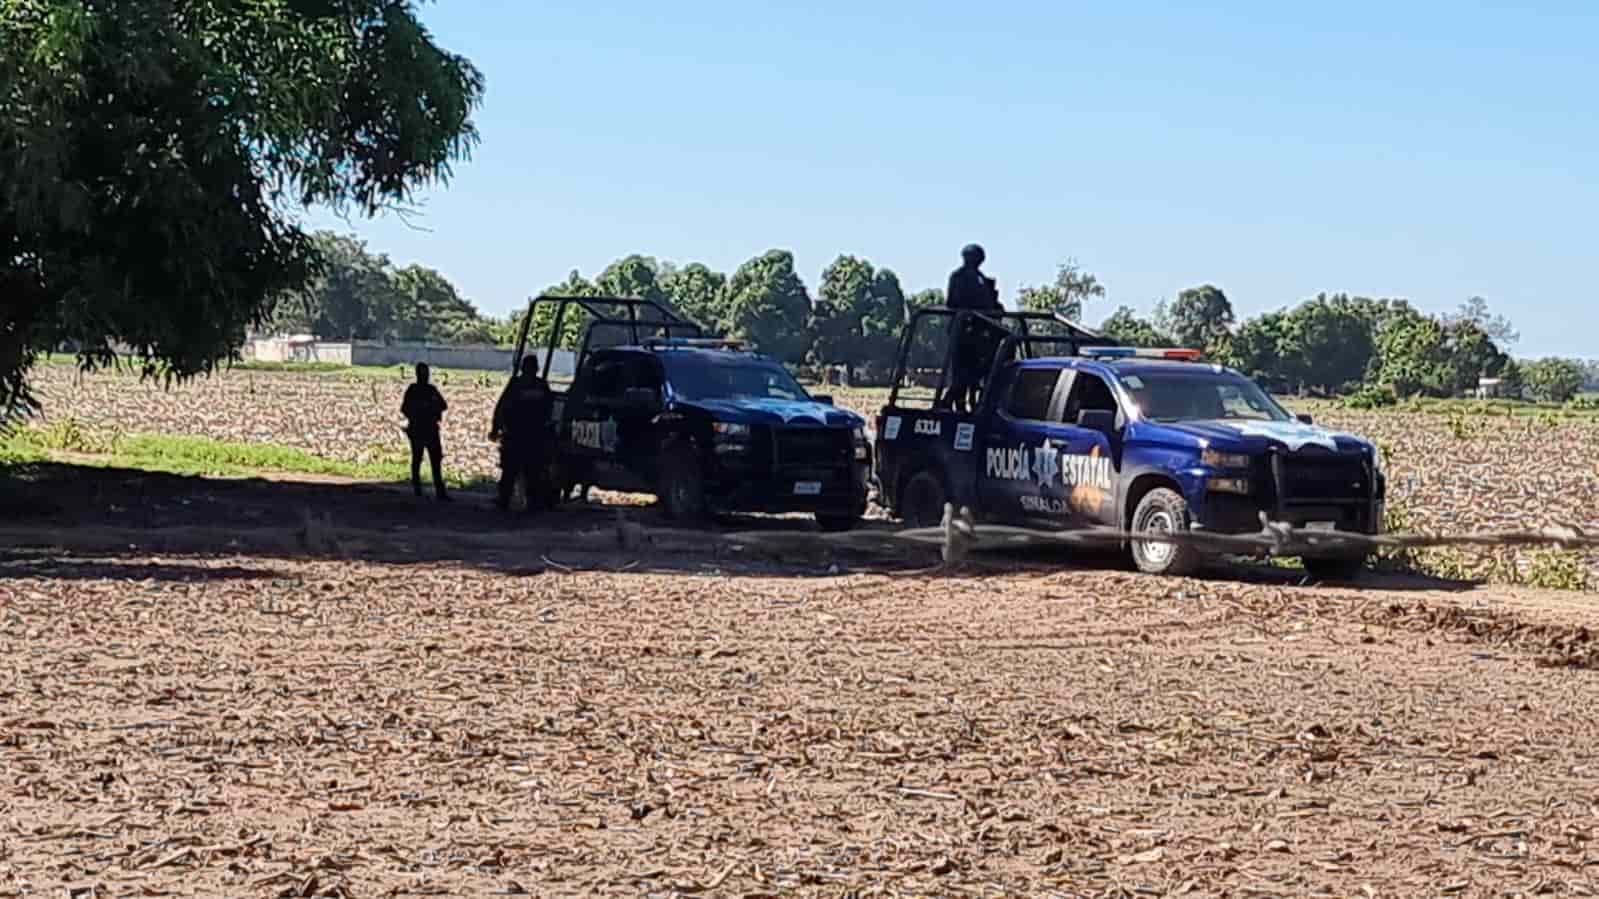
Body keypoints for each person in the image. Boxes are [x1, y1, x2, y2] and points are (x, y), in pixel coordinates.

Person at [942, 244, 1002, 412]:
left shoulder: (981, 278)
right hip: (964, 331)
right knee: (962, 372)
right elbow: (953, 302)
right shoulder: (958, 277)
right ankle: (951, 402)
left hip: (982, 332)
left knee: (978, 370)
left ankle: (968, 402)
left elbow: (989, 302)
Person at [491, 356, 554, 513]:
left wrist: (495, 428)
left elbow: (502, 407)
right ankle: (532, 503)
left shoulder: (516, 385)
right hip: (533, 435)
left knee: (511, 471)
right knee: (532, 471)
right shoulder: (541, 386)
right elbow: (549, 410)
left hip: (516, 435)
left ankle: (505, 500)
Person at [400, 363, 451, 501]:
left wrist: (428, 408)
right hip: (420, 429)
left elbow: (443, 405)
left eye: (426, 373)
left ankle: (434, 491)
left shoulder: (427, 390)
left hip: (427, 429)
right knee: (420, 459)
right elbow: (404, 408)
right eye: (424, 373)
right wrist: (422, 410)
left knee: (432, 460)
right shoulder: (417, 390)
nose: (426, 376)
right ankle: (421, 489)